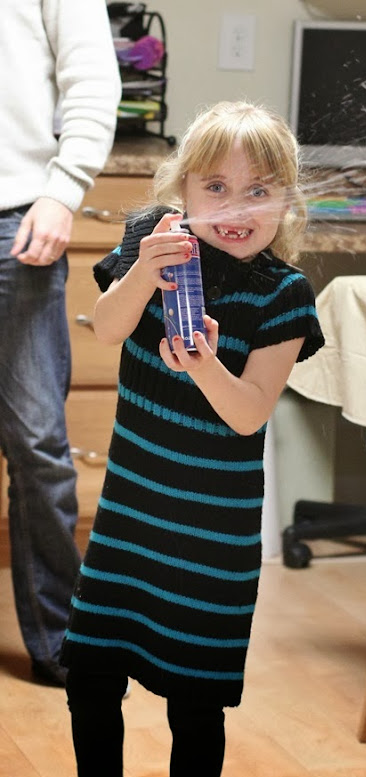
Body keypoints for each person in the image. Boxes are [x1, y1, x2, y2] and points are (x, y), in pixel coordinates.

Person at [60, 100, 325, 777]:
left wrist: (203, 362)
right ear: (182, 190)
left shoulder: (285, 296)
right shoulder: (152, 239)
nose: (235, 208)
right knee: (89, 675)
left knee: (196, 703)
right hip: (130, 518)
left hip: (211, 538)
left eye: (258, 191)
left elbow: (248, 414)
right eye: (215, 187)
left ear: (285, 202)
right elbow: (106, 328)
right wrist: (141, 273)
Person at [0, 0, 121, 687]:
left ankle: (62, 646)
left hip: (16, 223)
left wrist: (63, 191)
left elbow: (92, 78)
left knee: (39, 445)